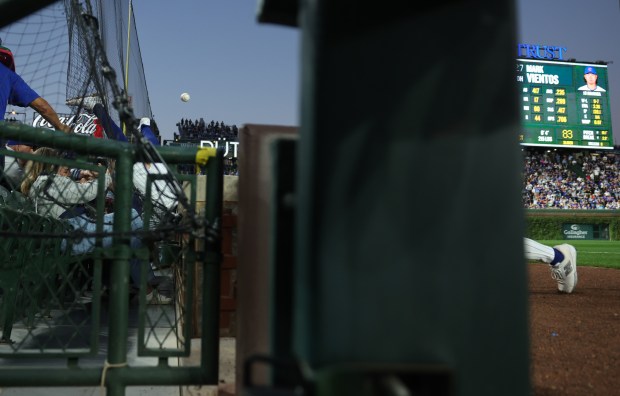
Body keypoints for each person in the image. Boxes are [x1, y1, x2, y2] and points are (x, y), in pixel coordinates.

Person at [20, 147, 171, 304]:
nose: (64, 164)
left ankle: (138, 283)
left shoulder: (43, 183)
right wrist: (105, 175)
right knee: (132, 233)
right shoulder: (49, 182)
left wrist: (89, 176)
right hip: (75, 236)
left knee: (132, 222)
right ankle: (144, 284)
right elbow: (87, 193)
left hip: (76, 231)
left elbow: (80, 192)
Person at [0, 43, 71, 132]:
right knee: (24, 144)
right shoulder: (8, 75)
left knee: (20, 144)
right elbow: (41, 106)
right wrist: (60, 126)